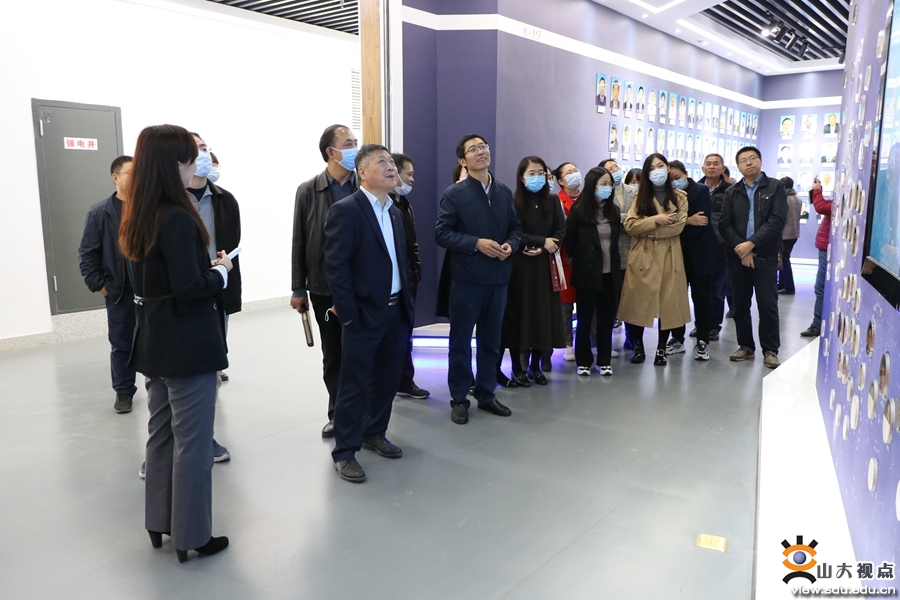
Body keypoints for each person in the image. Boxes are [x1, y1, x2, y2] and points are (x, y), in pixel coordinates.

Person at [120, 124, 230, 563]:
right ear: (173, 163)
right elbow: (190, 288)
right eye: (190, 156)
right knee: (194, 443)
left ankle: (158, 522)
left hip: (155, 342)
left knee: (161, 437)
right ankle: (192, 534)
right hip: (188, 345)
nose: (196, 163)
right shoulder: (178, 216)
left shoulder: (138, 212)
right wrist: (220, 272)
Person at [323, 144, 413, 483]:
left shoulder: (395, 211)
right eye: (382, 162)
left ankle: (374, 433)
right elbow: (337, 268)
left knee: (387, 380)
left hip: (395, 312)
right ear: (362, 172)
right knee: (354, 385)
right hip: (362, 315)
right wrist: (348, 315)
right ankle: (345, 451)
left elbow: (401, 261)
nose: (391, 167)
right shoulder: (346, 210)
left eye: (391, 161)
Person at [435, 134, 522, 425]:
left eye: (483, 146)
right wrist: (476, 243)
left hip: (498, 280)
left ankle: (486, 394)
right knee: (460, 342)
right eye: (473, 149)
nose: (481, 152)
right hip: (467, 280)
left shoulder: (503, 192)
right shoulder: (454, 194)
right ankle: (459, 398)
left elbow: (515, 229)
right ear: (463, 160)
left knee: (491, 341)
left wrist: (511, 245)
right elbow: (442, 234)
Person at [291, 124, 359, 439]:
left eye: (356, 142)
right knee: (333, 355)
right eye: (349, 143)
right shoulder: (308, 190)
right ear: (331, 152)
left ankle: (363, 413)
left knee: (361, 352)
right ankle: (337, 413)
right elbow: (299, 240)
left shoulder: (364, 186)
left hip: (361, 286)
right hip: (323, 287)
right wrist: (298, 287)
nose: (355, 148)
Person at [186, 133, 240, 463]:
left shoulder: (224, 200)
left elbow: (232, 247)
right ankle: (164, 450)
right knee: (171, 381)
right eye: (197, 151)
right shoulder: (166, 202)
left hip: (215, 293)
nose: (204, 155)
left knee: (210, 372)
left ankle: (206, 437)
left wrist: (222, 274)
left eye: (206, 149)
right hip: (179, 295)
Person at [617, 153, 691, 366]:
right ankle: (638, 347)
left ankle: (661, 349)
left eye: (660, 166)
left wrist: (646, 228)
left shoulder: (680, 197)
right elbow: (630, 226)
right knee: (638, 302)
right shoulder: (640, 197)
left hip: (670, 255)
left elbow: (677, 227)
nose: (656, 171)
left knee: (668, 304)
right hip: (643, 255)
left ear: (667, 168)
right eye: (651, 168)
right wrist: (656, 220)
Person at [719, 146, 787, 369]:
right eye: (743, 160)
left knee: (767, 304)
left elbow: (776, 220)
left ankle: (770, 350)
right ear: (738, 166)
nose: (748, 163)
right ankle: (746, 346)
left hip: (766, 255)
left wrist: (752, 244)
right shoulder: (732, 191)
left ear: (760, 161)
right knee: (740, 305)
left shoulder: (775, 187)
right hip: (738, 256)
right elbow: (725, 224)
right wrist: (743, 249)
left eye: (752, 158)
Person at [79, 155, 137, 414]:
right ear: (115, 178)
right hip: (120, 290)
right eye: (131, 173)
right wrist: (100, 285)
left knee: (157, 339)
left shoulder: (148, 208)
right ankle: (124, 391)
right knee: (122, 343)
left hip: (151, 289)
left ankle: (161, 387)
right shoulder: (100, 212)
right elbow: (87, 253)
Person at [501, 156, 565, 387]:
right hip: (520, 268)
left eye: (541, 173)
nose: (538, 177)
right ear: (522, 177)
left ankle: (536, 366)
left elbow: (560, 231)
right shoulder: (513, 201)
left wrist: (547, 246)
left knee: (542, 317)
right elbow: (513, 232)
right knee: (519, 317)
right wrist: (540, 241)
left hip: (545, 266)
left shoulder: (552, 201)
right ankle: (517, 368)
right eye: (532, 173)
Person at [564, 166, 622, 376]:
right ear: (592, 185)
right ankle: (584, 361)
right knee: (585, 319)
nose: (607, 187)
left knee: (606, 320)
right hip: (587, 273)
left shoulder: (613, 211)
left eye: (609, 184)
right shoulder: (579, 212)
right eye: (603, 183)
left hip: (609, 273)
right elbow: (570, 242)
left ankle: (604, 360)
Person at [665, 161, 725, 360]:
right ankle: (677, 338)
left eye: (677, 177)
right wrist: (687, 220)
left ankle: (702, 341)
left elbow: (702, 220)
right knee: (676, 298)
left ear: (685, 174)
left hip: (701, 253)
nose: (674, 182)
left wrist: (677, 222)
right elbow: (666, 219)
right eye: (670, 179)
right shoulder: (667, 193)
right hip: (676, 253)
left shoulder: (700, 190)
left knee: (702, 298)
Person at [390, 153, 429, 400]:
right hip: (389, 282)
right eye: (410, 174)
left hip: (407, 279)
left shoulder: (405, 204)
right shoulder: (383, 205)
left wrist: (416, 271)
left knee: (406, 333)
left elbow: (412, 242)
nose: (413, 179)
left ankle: (404, 381)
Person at [599, 158, 636, 353]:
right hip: (613, 252)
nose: (615, 170)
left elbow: (642, 215)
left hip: (634, 249)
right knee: (613, 298)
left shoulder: (634, 191)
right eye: (609, 168)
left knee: (633, 298)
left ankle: (633, 338)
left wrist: (626, 219)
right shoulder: (603, 193)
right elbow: (607, 216)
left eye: (616, 166)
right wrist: (629, 219)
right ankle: (607, 341)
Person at [698, 153, 734, 340]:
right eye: (708, 163)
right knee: (699, 291)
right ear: (703, 168)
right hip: (698, 247)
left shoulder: (731, 190)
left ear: (723, 168)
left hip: (721, 248)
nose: (711, 167)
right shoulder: (695, 189)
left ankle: (713, 326)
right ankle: (700, 325)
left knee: (717, 291)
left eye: (715, 164)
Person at [552, 162, 583, 361]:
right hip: (564, 259)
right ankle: (567, 344)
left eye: (575, 170)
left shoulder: (588, 199)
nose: (575, 174)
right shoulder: (557, 202)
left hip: (586, 258)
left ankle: (590, 342)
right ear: (562, 181)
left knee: (588, 303)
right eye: (570, 172)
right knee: (565, 305)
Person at [801, 178, 831, 337]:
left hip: (828, 247)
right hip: (827, 246)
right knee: (821, 287)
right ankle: (819, 323)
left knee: (821, 287)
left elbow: (821, 207)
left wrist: (817, 190)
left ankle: (818, 324)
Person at [778, 176, 802, 295]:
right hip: (794, 233)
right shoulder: (797, 198)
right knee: (784, 259)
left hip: (784, 235)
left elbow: (781, 218)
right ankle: (782, 284)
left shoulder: (784, 199)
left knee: (784, 260)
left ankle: (789, 286)